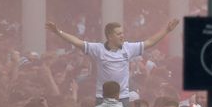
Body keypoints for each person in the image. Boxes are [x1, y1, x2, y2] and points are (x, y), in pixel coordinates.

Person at [46, 16, 180, 101]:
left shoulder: (128, 48)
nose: (122, 36)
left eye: (122, 33)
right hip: (102, 98)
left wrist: (167, 30)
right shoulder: (98, 49)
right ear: (110, 36)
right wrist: (59, 32)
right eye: (118, 34)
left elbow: (150, 42)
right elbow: (77, 42)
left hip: (122, 98)